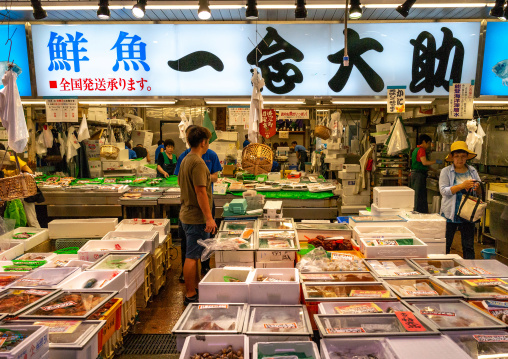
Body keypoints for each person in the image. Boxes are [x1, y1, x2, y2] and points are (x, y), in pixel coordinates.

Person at [175, 125, 222, 282]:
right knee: (192, 256)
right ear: (203, 142)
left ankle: (194, 288)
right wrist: (209, 218)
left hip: (186, 212)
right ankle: (190, 294)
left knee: (193, 255)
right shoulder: (198, 163)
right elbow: (200, 192)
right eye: (208, 141)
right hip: (196, 217)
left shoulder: (186, 159)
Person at [439, 141, 480, 259]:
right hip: (450, 214)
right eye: (456, 156)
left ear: (467, 157)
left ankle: (470, 271)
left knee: (468, 247)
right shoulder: (446, 171)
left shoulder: (472, 171)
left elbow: (479, 189)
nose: (460, 159)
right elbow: (444, 191)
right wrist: (462, 186)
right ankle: (442, 271)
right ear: (452, 157)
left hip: (468, 214)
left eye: (463, 156)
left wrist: (476, 188)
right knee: (445, 246)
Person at [0, 144, 40, 228]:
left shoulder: (14, 160)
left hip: (23, 192)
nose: (4, 167)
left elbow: (30, 173)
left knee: (31, 220)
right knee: (12, 221)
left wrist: (19, 180)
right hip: (9, 197)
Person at [410, 134, 442, 213]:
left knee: (417, 194)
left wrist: (434, 170)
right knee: (419, 195)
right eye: (428, 143)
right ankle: (419, 213)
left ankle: (418, 211)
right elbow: (424, 162)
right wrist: (436, 161)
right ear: (424, 142)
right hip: (419, 175)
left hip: (414, 174)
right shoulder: (421, 150)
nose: (428, 146)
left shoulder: (415, 150)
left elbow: (421, 164)